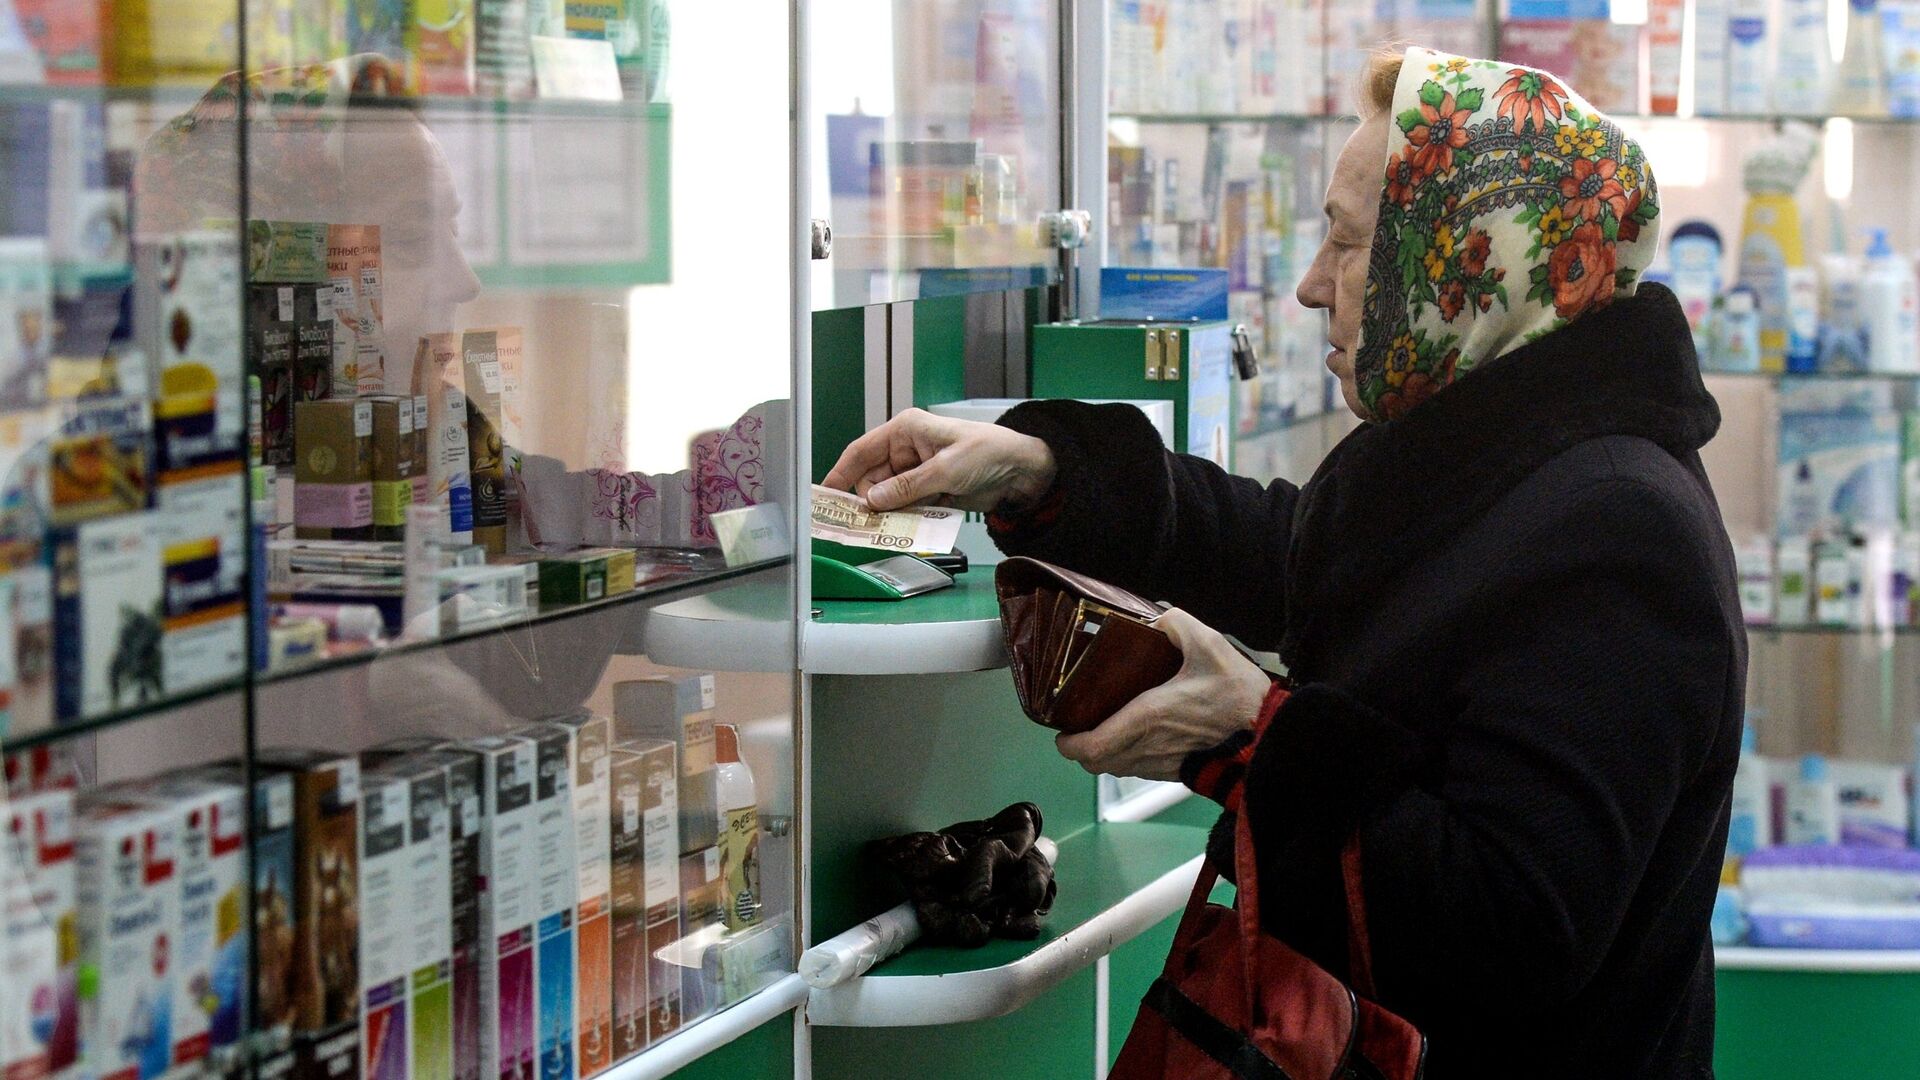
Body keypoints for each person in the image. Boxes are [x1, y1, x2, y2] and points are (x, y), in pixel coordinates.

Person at [825, 46, 1742, 1078]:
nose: (1311, 287)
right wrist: (1044, 472)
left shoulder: (1620, 529)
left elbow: (1514, 928)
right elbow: (1295, 554)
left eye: (1348, 244)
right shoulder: (1496, 464)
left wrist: (1253, 741)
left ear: (1465, 261)